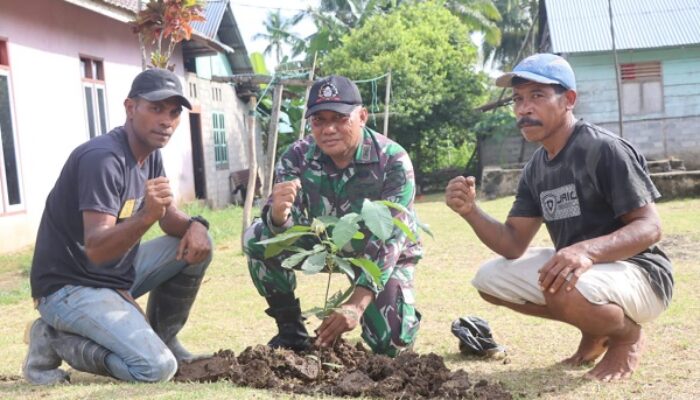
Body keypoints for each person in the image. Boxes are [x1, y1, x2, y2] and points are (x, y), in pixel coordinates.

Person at [445, 54, 673, 382]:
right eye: (518, 99)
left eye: (537, 96)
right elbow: (512, 244)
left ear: (568, 100)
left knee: (560, 284)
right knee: (489, 281)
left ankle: (626, 336)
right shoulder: (536, 168)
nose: (523, 109)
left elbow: (650, 227)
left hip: (642, 274)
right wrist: (470, 211)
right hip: (584, 274)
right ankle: (595, 329)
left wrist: (584, 252)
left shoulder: (603, 149)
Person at [23, 68, 213, 385]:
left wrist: (196, 225)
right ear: (130, 108)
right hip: (68, 287)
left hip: (112, 275)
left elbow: (168, 218)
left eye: (174, 112)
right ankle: (54, 338)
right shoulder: (103, 159)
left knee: (196, 248)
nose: (167, 121)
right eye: (156, 108)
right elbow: (97, 248)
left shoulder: (150, 154)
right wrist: (145, 217)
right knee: (155, 368)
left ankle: (164, 338)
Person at [243, 75, 422, 356]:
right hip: (322, 245)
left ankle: (393, 321)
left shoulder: (393, 161)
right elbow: (282, 228)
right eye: (319, 120)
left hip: (375, 254)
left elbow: (391, 239)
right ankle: (291, 331)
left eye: (339, 118)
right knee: (256, 237)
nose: (328, 129)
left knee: (391, 345)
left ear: (362, 116)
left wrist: (356, 304)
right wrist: (277, 216)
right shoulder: (296, 157)